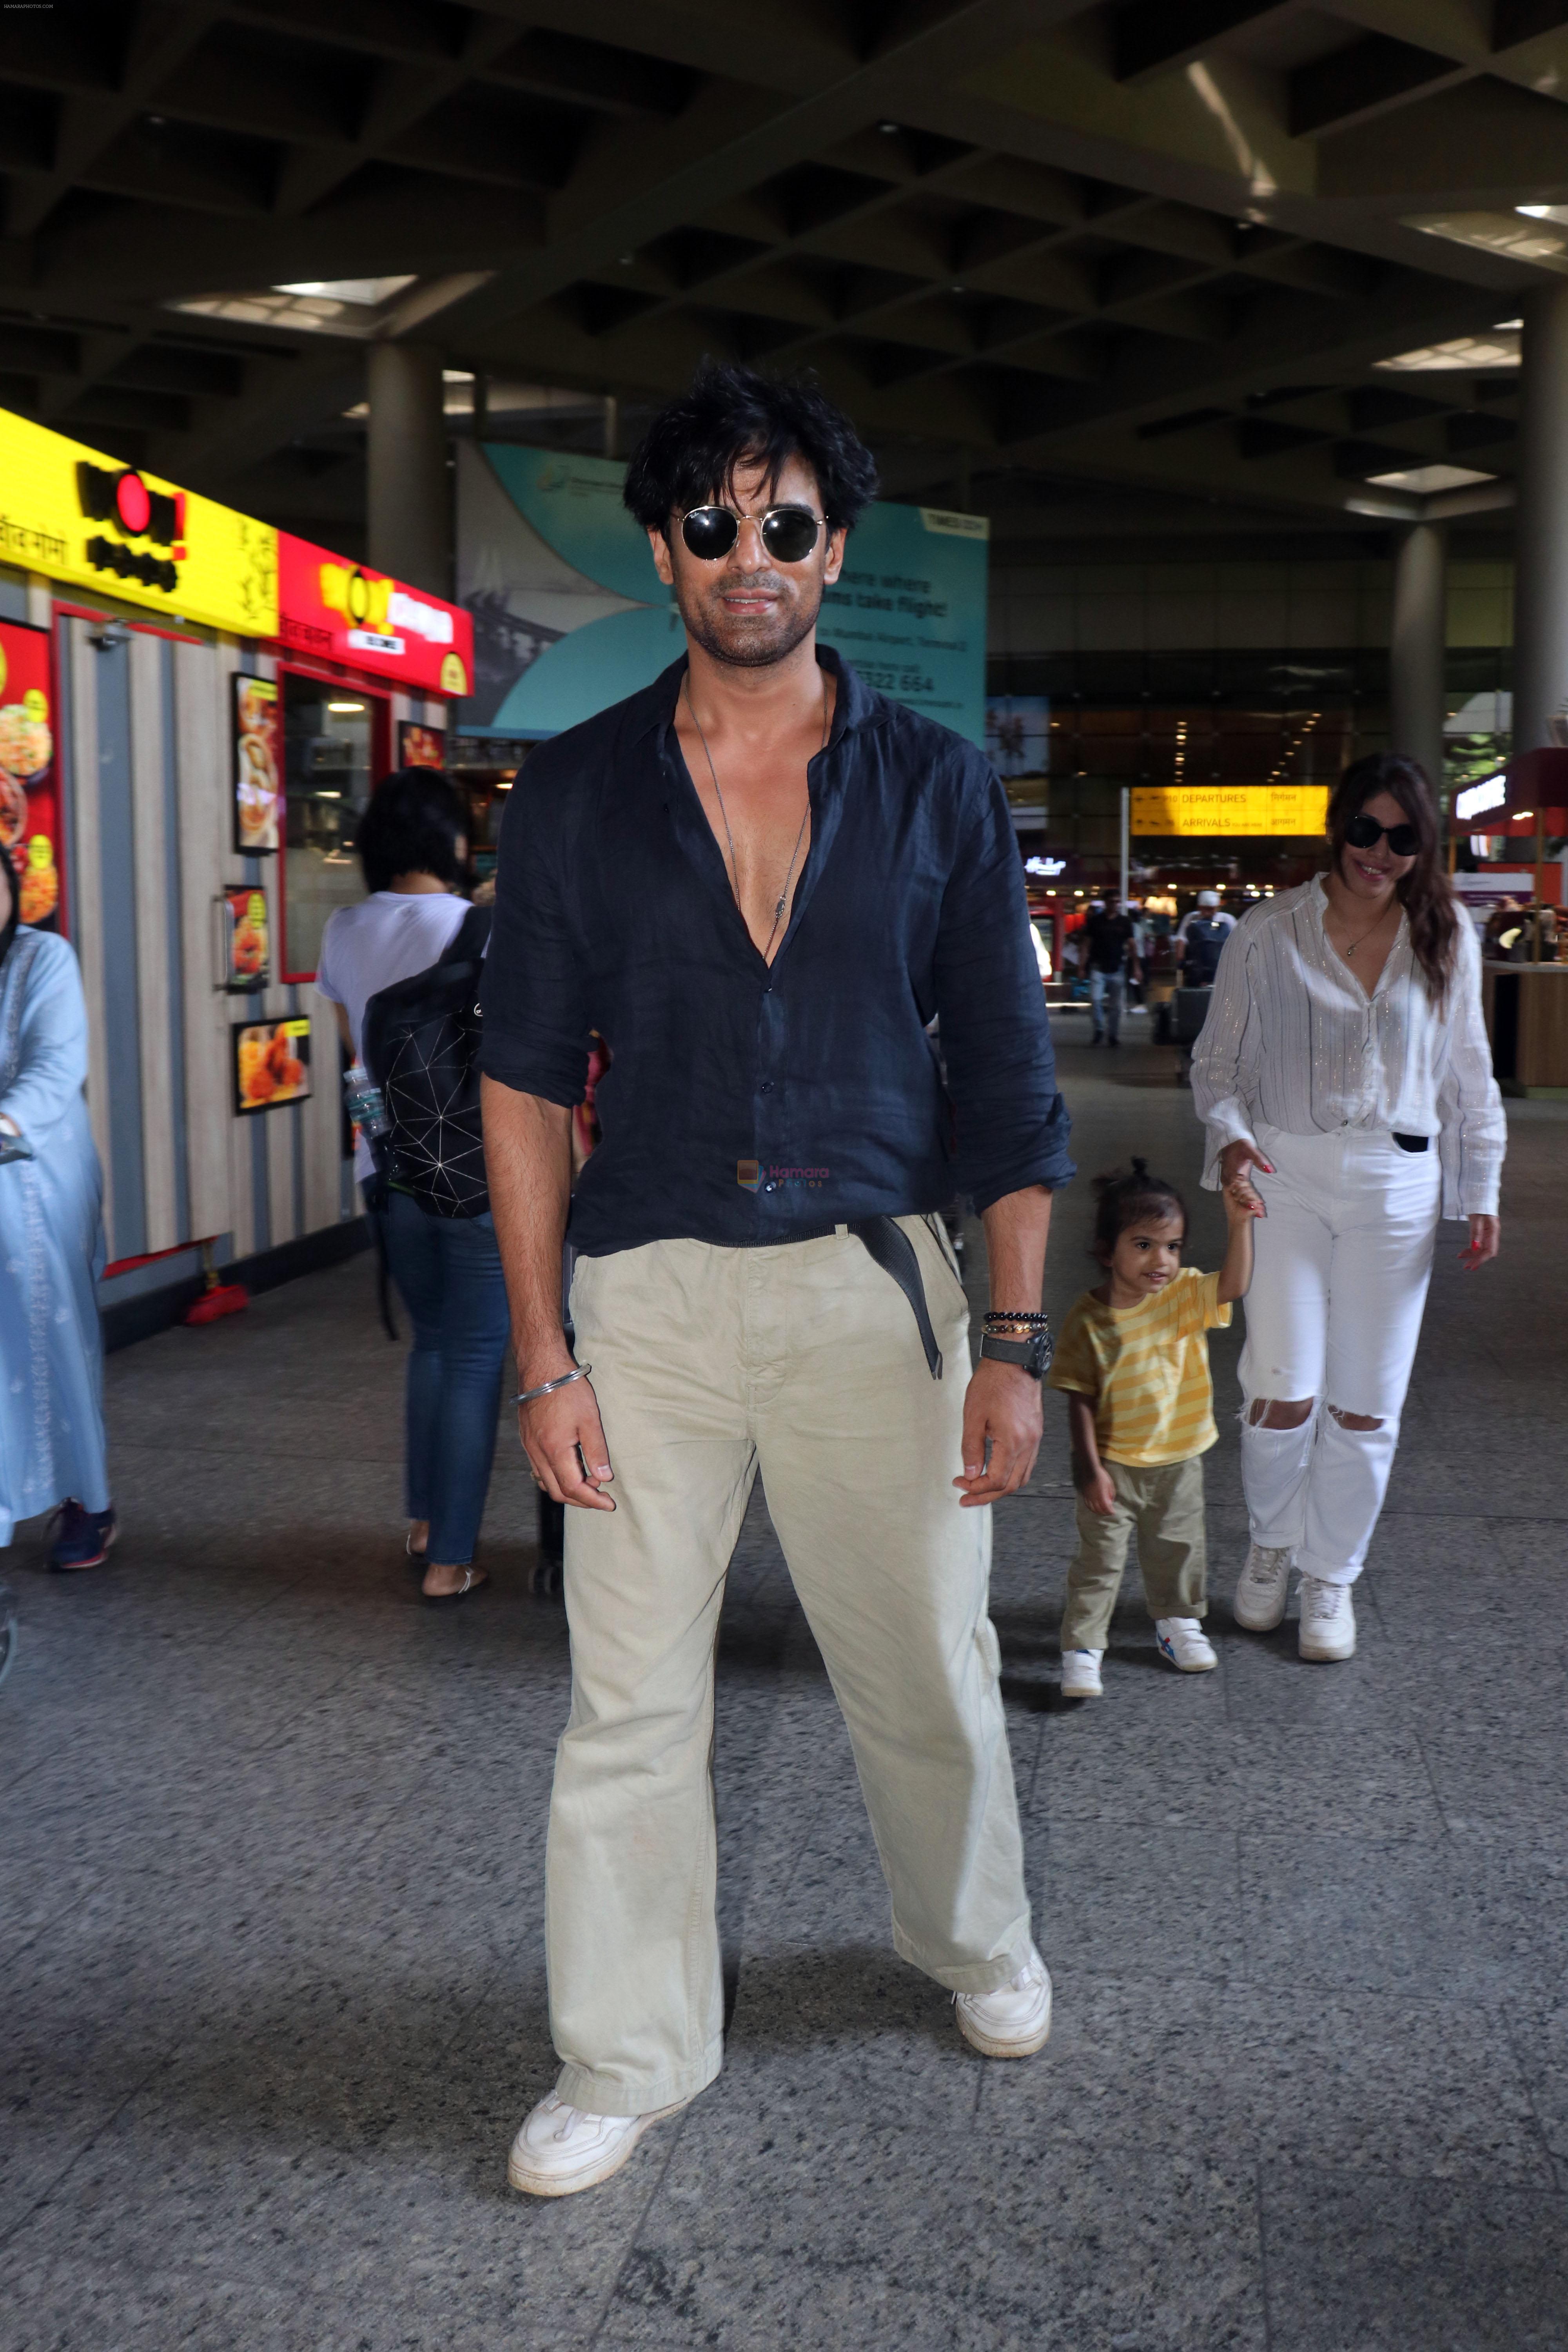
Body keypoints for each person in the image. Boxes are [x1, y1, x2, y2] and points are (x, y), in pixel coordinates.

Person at [479, 360, 1074, 2199]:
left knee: (923, 1675)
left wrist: (1011, 1339)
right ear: (663, 550)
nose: (752, 552)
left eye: (786, 522)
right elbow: (516, 1089)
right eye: (714, 521)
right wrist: (541, 1360)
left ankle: (977, 1937)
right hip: (645, 1301)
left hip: (869, 1291)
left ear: (832, 547)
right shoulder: (574, 791)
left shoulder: (936, 787)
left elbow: (1008, 1078)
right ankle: (622, 2049)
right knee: (625, 1705)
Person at [1191, 752, 1504, 1663]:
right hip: (1284, 1172)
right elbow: (1217, 1065)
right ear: (1337, 826)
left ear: (1423, 847)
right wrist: (1231, 1136)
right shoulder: (1268, 929)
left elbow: (1469, 1078)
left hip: (1396, 1188)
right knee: (1281, 1389)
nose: (1378, 851)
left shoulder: (1447, 934)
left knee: (1366, 1402)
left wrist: (1478, 1188)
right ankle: (1271, 1545)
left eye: (1401, 838)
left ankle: (1333, 1573)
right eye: (1364, 829)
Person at [316, 768, 509, 1606]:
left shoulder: (343, 929)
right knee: (474, 1356)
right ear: (453, 844)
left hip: (387, 1170)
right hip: (475, 1177)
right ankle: (450, 1561)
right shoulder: (481, 928)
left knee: (435, 1345)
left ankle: (428, 1523)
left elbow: (352, 1054)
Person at [1047, 1156, 1258, 1698]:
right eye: (1143, 1245)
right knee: (1100, 1562)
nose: (1161, 1260)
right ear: (1106, 1250)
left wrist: (1239, 1224)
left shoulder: (1184, 1296)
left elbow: (1233, 1285)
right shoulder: (1088, 1320)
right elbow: (1078, 1400)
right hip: (1114, 1466)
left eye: (1173, 1246)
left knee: (1180, 1548)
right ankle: (1083, 1647)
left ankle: (1177, 1624)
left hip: (1180, 1457)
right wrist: (1089, 1471)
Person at [0, 852, 114, 1570]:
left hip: (39, 1176)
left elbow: (55, 1064)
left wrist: (4, 1123)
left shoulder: (44, 956)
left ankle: (87, 1500)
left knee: (55, 1338)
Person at [1083, 895, 1141, 1045]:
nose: (1114, 904)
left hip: (1117, 968)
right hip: (1098, 967)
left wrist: (1136, 967)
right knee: (1095, 1000)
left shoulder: (1125, 922)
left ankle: (1113, 1035)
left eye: (1117, 902)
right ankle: (1099, 1029)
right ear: (1106, 903)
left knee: (1115, 1005)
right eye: (1111, 901)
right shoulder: (1096, 922)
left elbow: (1132, 945)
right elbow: (1087, 944)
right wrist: (1082, 966)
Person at [1173, 890, 1235, 987]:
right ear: (1199, 907)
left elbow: (1237, 941)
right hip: (1197, 965)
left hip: (1221, 965)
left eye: (1211, 909)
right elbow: (1182, 939)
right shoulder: (1191, 918)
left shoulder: (1227, 919)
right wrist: (1180, 959)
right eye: (1205, 909)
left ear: (1217, 908)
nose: (1208, 912)